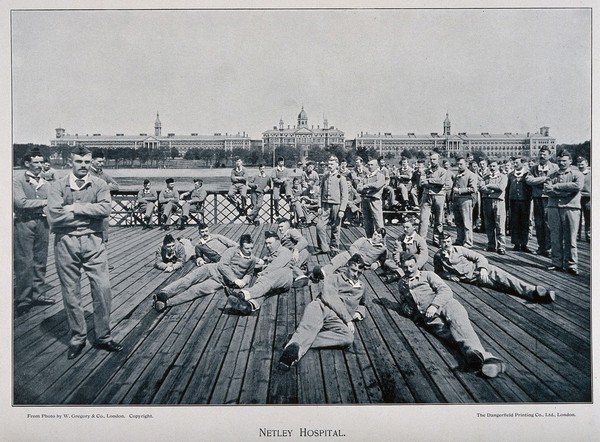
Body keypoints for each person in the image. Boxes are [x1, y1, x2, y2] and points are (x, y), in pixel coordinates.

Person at [47, 145, 122, 360]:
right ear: (71, 162)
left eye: (87, 162)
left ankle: (103, 336)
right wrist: (90, 215)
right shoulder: (57, 186)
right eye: (79, 161)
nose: (83, 166)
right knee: (71, 292)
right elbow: (54, 217)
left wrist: (74, 208)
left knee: (103, 288)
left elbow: (106, 210)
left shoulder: (99, 183)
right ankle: (78, 337)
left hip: (94, 242)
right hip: (66, 243)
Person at [396, 252, 506, 378]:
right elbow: (403, 300)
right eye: (405, 267)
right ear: (401, 266)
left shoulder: (427, 275)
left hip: (446, 304)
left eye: (411, 266)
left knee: (461, 328)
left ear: (416, 264)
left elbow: (446, 290)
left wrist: (434, 305)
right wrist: (405, 307)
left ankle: (483, 358)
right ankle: (489, 362)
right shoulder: (402, 284)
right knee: (452, 337)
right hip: (430, 317)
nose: (408, 270)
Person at [278, 254, 367, 371]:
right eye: (353, 270)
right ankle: (289, 358)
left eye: (359, 272)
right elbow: (330, 298)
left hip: (336, 319)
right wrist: (349, 319)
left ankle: (296, 341)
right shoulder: (333, 278)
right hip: (321, 307)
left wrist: (359, 313)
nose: (355, 275)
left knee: (348, 338)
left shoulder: (362, 286)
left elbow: (362, 304)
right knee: (308, 327)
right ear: (347, 267)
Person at [433, 233, 555, 303]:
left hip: (483, 270)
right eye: (444, 242)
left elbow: (480, 257)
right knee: (503, 287)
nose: (447, 244)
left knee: (508, 279)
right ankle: (536, 296)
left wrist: (483, 269)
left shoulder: (459, 249)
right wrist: (448, 275)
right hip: (473, 279)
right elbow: (438, 272)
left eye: (448, 241)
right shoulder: (438, 256)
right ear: (440, 243)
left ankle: (534, 290)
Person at [152, 234, 260, 312]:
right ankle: (164, 293)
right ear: (241, 246)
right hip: (212, 269)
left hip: (219, 282)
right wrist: (235, 279)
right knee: (188, 280)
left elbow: (249, 273)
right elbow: (222, 266)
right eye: (247, 248)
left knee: (195, 291)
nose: (249, 251)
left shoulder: (252, 259)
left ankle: (167, 303)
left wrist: (244, 281)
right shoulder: (232, 251)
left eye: (251, 248)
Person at [13, 147, 55, 316]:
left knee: (40, 260)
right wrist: (45, 201)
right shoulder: (18, 181)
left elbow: (56, 201)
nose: (39, 165)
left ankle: (38, 294)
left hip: (43, 223)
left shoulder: (46, 182)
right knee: (24, 262)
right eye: (35, 162)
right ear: (27, 163)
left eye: (41, 162)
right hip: (24, 223)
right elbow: (20, 203)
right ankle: (23, 300)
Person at [228, 231, 294, 315]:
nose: (267, 246)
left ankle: (242, 294)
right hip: (274, 283)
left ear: (278, 242)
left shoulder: (284, 251)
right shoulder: (270, 254)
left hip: (285, 277)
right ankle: (248, 306)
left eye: (270, 243)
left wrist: (262, 272)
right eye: (266, 243)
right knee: (264, 291)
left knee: (268, 279)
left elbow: (276, 265)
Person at [545, 150, 584, 275]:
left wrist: (557, 187)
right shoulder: (551, 175)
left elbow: (577, 186)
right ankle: (556, 262)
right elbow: (547, 190)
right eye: (559, 161)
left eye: (564, 161)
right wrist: (566, 191)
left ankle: (571, 264)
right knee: (555, 237)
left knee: (571, 239)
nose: (561, 163)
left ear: (570, 161)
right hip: (554, 208)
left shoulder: (577, 174)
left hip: (571, 208)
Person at [311, 228, 390, 282]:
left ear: (382, 239)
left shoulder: (382, 249)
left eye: (378, 236)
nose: (375, 237)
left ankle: (325, 277)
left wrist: (377, 263)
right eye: (375, 234)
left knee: (344, 271)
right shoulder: (364, 240)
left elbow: (384, 259)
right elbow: (353, 247)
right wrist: (355, 256)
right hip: (352, 256)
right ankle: (323, 272)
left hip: (363, 265)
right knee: (338, 259)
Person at [525, 146, 559, 257]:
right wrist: (543, 179)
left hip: (549, 199)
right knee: (538, 223)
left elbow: (555, 180)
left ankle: (549, 248)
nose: (542, 156)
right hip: (537, 198)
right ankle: (541, 247)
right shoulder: (534, 168)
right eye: (540, 154)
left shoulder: (555, 167)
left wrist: (538, 181)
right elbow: (529, 180)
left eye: (544, 154)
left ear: (549, 155)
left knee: (548, 223)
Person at [315, 156, 348, 256]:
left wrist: (342, 209)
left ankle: (334, 248)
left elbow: (344, 195)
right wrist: (319, 206)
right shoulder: (325, 176)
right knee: (319, 226)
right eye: (328, 164)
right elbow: (320, 191)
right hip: (325, 205)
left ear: (337, 165)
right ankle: (323, 247)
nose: (330, 166)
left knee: (335, 227)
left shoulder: (341, 178)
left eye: (332, 164)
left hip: (336, 205)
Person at [385, 217, 429, 283]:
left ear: (414, 227)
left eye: (407, 227)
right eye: (404, 227)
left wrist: (416, 265)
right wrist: (398, 261)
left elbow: (424, 255)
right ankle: (403, 273)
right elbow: (397, 251)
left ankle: (397, 274)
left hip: (414, 263)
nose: (405, 229)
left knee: (415, 259)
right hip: (403, 262)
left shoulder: (419, 240)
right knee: (387, 262)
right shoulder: (401, 238)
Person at [418, 152, 447, 246]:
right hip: (427, 196)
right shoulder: (425, 171)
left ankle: (437, 240)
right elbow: (421, 183)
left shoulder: (443, 171)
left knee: (439, 220)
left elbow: (441, 181)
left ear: (438, 160)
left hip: (439, 196)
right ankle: (421, 241)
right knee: (423, 219)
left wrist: (429, 181)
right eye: (431, 159)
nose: (432, 161)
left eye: (434, 159)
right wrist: (434, 183)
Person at [479, 160, 508, 254]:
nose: (492, 168)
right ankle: (491, 245)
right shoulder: (485, 177)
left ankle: (501, 246)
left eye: (494, 166)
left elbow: (501, 188)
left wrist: (489, 186)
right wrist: (491, 190)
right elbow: (481, 188)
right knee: (489, 224)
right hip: (487, 201)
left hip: (498, 201)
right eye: (491, 166)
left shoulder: (503, 177)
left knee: (499, 224)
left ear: (498, 166)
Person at [507, 158, 533, 252]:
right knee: (514, 222)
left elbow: (530, 187)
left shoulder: (527, 174)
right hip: (513, 201)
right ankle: (516, 243)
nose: (515, 164)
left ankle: (524, 244)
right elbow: (507, 189)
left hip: (525, 201)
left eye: (517, 163)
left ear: (522, 163)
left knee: (524, 222)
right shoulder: (510, 175)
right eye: (514, 163)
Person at [451, 157, 477, 248]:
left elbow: (473, 189)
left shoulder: (471, 175)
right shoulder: (457, 175)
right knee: (458, 222)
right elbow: (453, 188)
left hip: (466, 200)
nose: (459, 166)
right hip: (457, 200)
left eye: (461, 164)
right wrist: (452, 199)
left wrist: (460, 190)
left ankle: (468, 242)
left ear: (466, 164)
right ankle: (459, 239)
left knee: (467, 222)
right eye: (458, 164)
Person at [277, 217, 310, 286]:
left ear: (288, 226)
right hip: (289, 256)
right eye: (279, 227)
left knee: (289, 266)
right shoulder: (284, 235)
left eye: (282, 226)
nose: (280, 229)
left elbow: (304, 241)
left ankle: (300, 277)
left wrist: (296, 250)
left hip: (297, 255)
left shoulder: (291, 231)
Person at [357, 158, 385, 239]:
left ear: (377, 166)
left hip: (375, 200)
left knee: (378, 222)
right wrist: (369, 190)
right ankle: (370, 241)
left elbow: (377, 185)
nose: (369, 166)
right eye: (368, 165)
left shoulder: (380, 176)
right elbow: (358, 188)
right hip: (365, 200)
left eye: (371, 165)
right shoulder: (365, 177)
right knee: (367, 222)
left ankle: (382, 243)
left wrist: (365, 186)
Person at [577, 157, 590, 242]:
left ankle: (589, 235)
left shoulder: (591, 174)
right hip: (577, 198)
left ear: (587, 164)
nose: (581, 166)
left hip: (588, 198)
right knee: (577, 217)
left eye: (582, 164)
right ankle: (577, 235)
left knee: (588, 217)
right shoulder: (576, 173)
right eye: (579, 164)